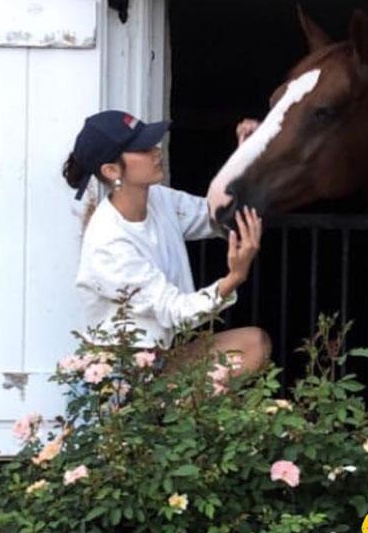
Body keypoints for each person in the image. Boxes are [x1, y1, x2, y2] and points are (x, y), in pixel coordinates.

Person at [63, 110, 271, 378]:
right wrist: (235, 277)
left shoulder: (158, 200)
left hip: (165, 358)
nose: (156, 151)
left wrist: (251, 155)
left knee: (254, 343)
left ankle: (185, 413)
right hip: (127, 378)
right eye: (142, 148)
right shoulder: (109, 241)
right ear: (112, 170)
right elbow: (177, 311)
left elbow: (215, 214)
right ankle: (165, 418)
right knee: (248, 348)